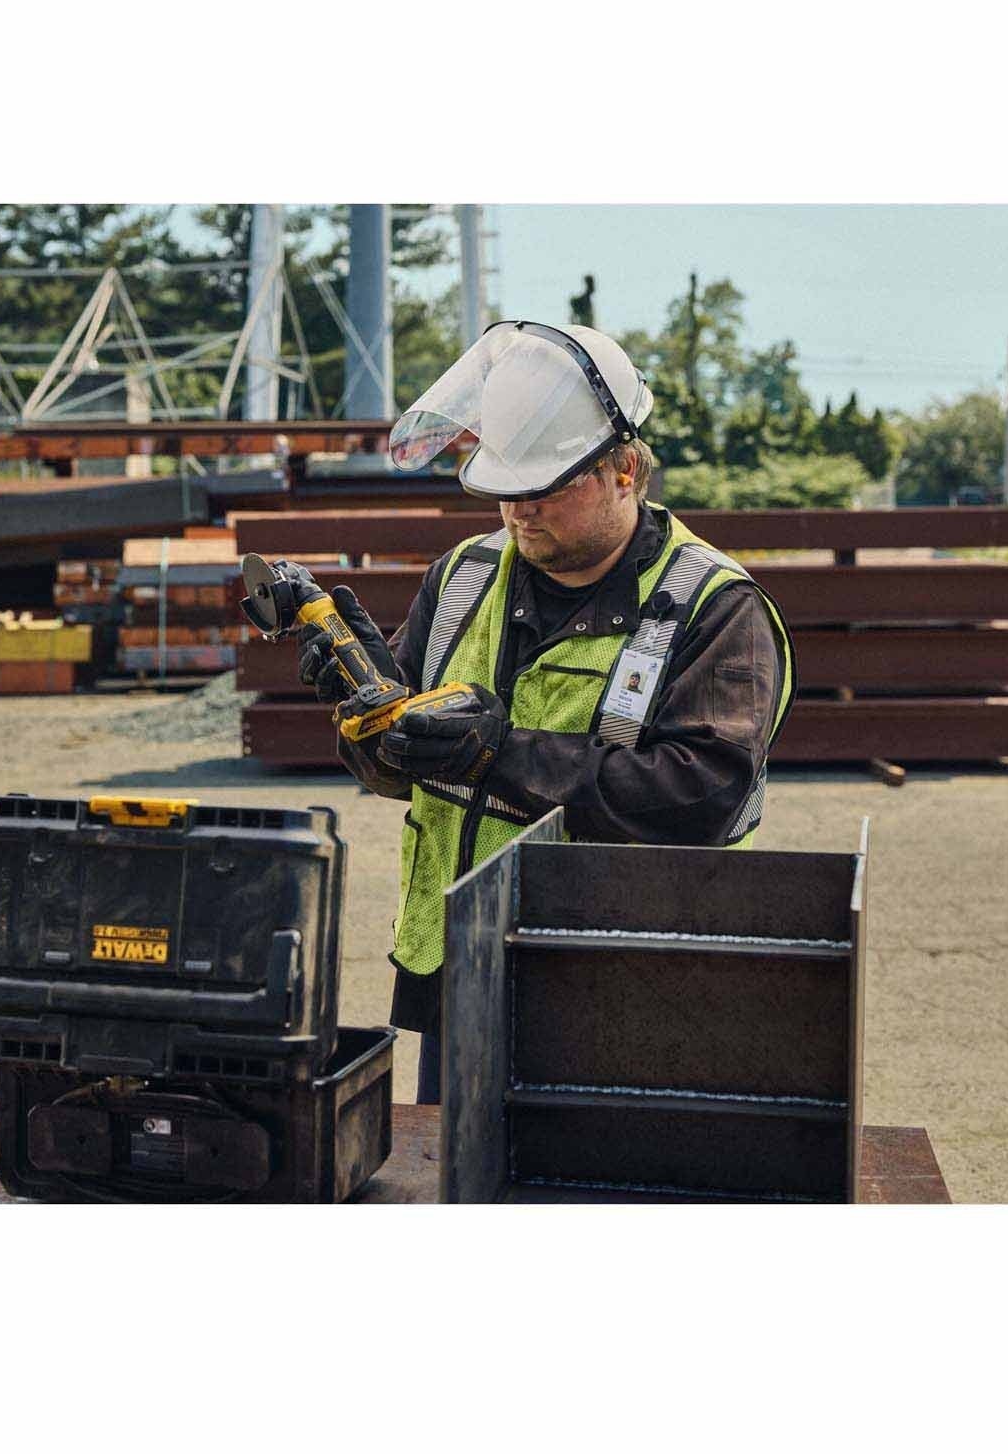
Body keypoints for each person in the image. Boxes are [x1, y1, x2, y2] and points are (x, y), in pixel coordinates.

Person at [297, 320, 797, 1103]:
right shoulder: (462, 578)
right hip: (458, 966)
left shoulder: (716, 607)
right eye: (506, 488)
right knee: (452, 1169)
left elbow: (701, 794)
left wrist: (499, 753)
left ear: (625, 470)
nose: (520, 512)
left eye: (545, 487)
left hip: (623, 990)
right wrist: (369, 715)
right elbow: (402, 772)